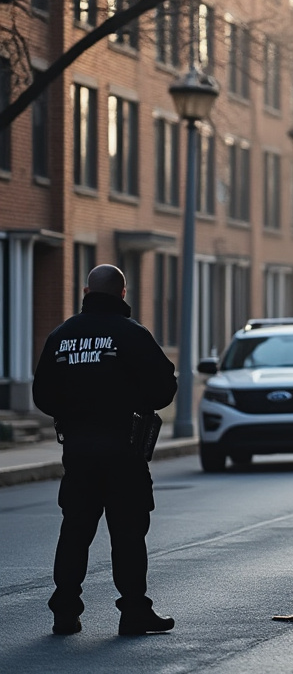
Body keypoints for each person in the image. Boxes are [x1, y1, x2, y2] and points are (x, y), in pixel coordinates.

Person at [32, 264, 178, 636]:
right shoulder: (130, 334)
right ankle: (133, 613)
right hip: (123, 450)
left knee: (75, 531)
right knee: (128, 533)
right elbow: (164, 388)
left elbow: (42, 395)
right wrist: (133, 401)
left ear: (85, 292)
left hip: (78, 451)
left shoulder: (62, 336)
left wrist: (73, 411)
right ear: (123, 294)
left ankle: (65, 610)